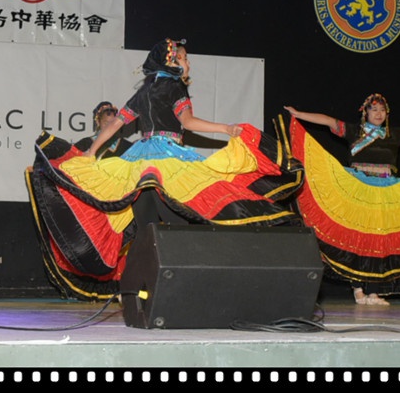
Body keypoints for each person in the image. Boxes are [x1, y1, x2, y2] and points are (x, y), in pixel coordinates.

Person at [27, 39, 302, 300]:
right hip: (169, 159)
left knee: (147, 230)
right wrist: (226, 128)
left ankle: (141, 291)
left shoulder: (144, 91)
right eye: (184, 58)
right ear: (171, 62)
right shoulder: (174, 87)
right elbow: (189, 122)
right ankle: (185, 288)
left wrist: (91, 151)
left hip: (139, 163)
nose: (188, 63)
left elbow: (115, 125)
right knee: (181, 223)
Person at [283, 95, 400, 305]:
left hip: (384, 190)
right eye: (374, 110)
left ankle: (374, 293)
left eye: (382, 110)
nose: (378, 114)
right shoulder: (354, 131)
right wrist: (298, 114)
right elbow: (328, 121)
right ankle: (358, 289)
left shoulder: (394, 134)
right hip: (357, 188)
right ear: (365, 113)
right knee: (358, 238)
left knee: (378, 239)